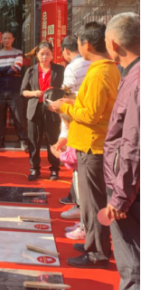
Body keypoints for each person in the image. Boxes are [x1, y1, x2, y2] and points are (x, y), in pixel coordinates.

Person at [49, 22, 120, 269]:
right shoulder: (103, 69)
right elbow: (92, 104)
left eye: (79, 43)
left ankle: (97, 252)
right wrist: (72, 102)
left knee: (93, 202)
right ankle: (94, 242)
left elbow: (90, 114)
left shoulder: (100, 72)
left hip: (93, 146)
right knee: (91, 202)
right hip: (93, 143)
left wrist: (64, 107)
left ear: (86, 44)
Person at [94, 13, 141, 290]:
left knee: (130, 253)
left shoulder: (135, 80)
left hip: (131, 185)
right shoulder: (132, 74)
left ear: (113, 44)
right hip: (131, 180)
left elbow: (133, 143)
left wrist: (121, 196)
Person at [54, 35, 91, 238]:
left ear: (66, 51)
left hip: (78, 126)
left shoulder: (73, 68)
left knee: (81, 180)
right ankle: (84, 221)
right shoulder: (97, 66)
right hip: (91, 129)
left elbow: (67, 100)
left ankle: (85, 226)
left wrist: (64, 130)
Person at [21, 41, 65, 181]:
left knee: (53, 139)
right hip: (35, 109)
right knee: (34, 141)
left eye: (47, 54)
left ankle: (54, 169)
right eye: (42, 54)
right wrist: (34, 93)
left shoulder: (60, 70)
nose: (44, 57)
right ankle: (34, 169)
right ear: (37, 55)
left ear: (52, 55)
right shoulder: (31, 70)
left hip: (52, 109)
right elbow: (23, 91)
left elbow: (66, 89)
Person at [0, 30, 28, 151]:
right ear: (1, 40)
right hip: (0, 89)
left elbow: (17, 68)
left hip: (15, 88)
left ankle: (23, 141)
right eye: (4, 38)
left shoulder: (18, 52)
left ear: (13, 39)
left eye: (8, 38)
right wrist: (9, 68)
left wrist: (1, 70)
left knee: (18, 116)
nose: (6, 40)